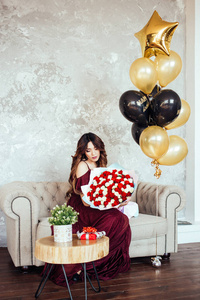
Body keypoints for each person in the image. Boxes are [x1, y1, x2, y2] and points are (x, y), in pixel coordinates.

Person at [47, 132, 131, 286]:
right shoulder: (82, 165)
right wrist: (111, 204)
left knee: (120, 218)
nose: (93, 153)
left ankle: (94, 263)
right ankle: (79, 266)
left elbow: (104, 196)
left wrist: (119, 201)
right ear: (83, 152)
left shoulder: (100, 165)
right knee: (115, 218)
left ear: (101, 149)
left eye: (96, 149)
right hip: (82, 208)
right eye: (88, 150)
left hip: (96, 207)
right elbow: (86, 201)